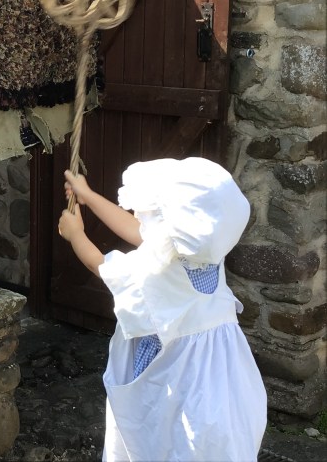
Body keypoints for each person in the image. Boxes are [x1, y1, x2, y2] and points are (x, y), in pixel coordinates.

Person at [58, 157, 267, 461]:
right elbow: (139, 231)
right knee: (206, 445)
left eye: (151, 214)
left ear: (169, 224)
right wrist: (88, 195)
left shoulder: (156, 270)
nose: (140, 217)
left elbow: (100, 265)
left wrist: (75, 233)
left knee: (159, 440)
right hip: (216, 383)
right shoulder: (205, 251)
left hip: (172, 378)